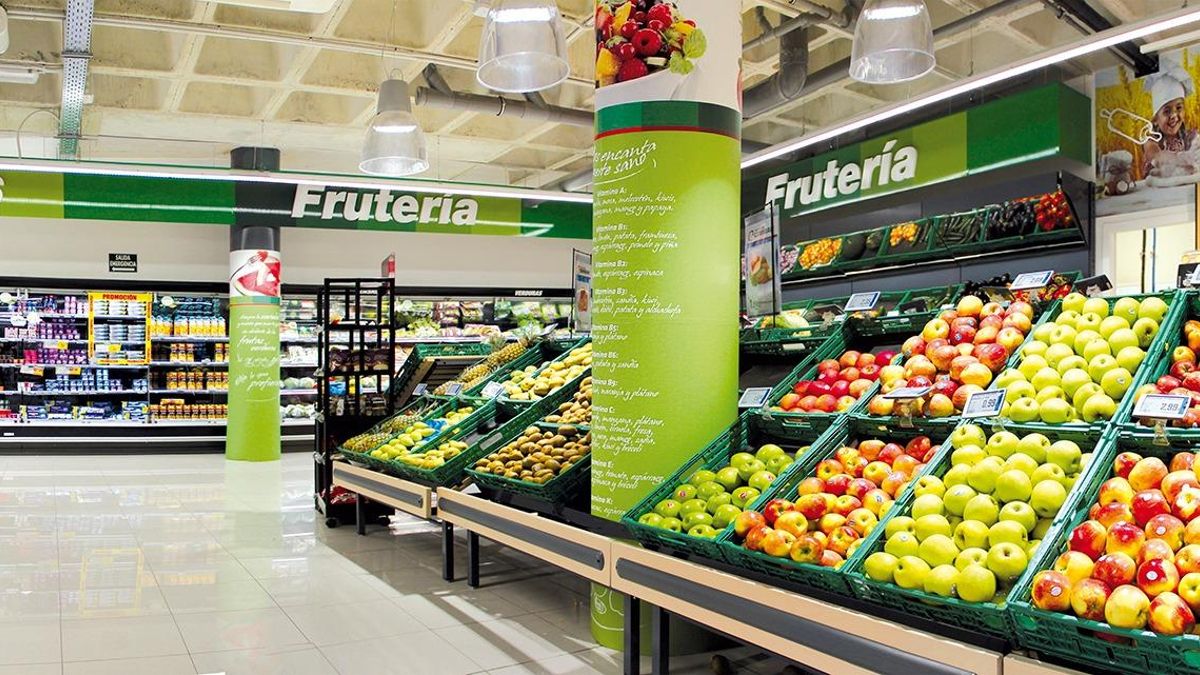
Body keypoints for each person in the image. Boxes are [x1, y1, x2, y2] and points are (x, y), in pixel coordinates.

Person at [1142, 66, 1197, 177]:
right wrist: (1181, 158)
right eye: (1167, 111)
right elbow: (1156, 156)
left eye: (1179, 108)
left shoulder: (1189, 137)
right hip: (1158, 191)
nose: (1174, 115)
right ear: (1155, 119)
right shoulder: (1151, 140)